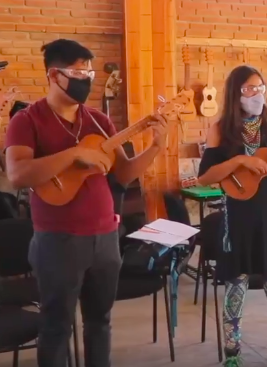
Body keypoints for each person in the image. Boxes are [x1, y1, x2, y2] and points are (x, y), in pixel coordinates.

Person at [4, 39, 168, 367]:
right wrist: (75, 154)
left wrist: (155, 147)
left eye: (90, 71)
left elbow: (122, 174)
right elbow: (18, 174)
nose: (87, 78)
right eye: (79, 71)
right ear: (54, 74)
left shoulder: (98, 121)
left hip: (105, 238)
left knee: (100, 322)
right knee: (56, 326)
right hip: (57, 240)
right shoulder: (27, 120)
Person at [196, 65, 267, 367]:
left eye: (260, 88)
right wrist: (238, 161)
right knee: (236, 288)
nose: (256, 94)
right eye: (249, 89)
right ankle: (232, 355)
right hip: (238, 221)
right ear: (235, 92)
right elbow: (205, 177)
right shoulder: (220, 130)